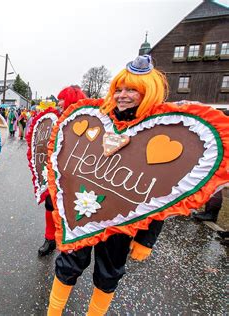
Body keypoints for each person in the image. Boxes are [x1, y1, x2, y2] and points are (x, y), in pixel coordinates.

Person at [47, 55, 168, 315]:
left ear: (147, 92)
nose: (123, 95)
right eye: (119, 89)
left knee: (108, 272)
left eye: (131, 90)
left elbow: (164, 190)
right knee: (68, 262)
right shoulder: (97, 120)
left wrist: (147, 238)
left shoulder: (158, 131)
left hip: (122, 219)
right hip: (84, 207)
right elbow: (69, 160)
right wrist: (58, 196)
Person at [38, 86, 87, 257]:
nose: (58, 103)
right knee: (50, 205)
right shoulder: (57, 119)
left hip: (74, 176)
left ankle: (68, 241)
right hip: (55, 173)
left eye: (62, 99)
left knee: (70, 209)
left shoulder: (86, 121)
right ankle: (49, 239)